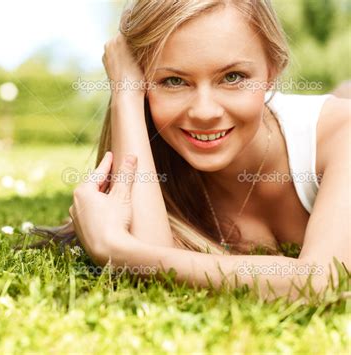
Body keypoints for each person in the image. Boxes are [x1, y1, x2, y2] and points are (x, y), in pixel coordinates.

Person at [28, 0, 350, 301]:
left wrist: (115, 249)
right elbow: (150, 273)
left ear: (272, 73)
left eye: (233, 76)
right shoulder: (165, 167)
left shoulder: (340, 133)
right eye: (173, 81)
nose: (205, 112)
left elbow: (323, 282)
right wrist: (125, 95)